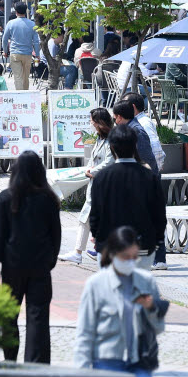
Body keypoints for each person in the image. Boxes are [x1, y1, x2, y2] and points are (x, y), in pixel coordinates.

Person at [74, 228, 169, 377]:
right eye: (126, 257)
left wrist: (151, 308)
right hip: (107, 361)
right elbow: (85, 333)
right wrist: (82, 375)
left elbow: (158, 329)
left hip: (138, 361)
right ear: (113, 254)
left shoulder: (147, 281)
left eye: (135, 257)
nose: (131, 262)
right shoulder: (96, 284)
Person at [0, 151, 62, 364]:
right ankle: (36, 362)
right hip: (40, 266)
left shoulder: (6, 197)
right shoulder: (49, 199)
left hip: (12, 266)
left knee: (9, 315)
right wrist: (51, 260)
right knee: (38, 316)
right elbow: (55, 235)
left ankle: (10, 358)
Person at [89, 124, 166, 269]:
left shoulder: (102, 177)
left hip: (109, 246)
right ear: (134, 145)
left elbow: (95, 213)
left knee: (111, 289)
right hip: (142, 246)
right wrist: (157, 240)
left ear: (112, 146)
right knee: (138, 288)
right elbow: (159, 212)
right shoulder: (149, 177)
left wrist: (96, 235)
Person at [59, 108, 115, 265]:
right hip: (96, 185)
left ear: (99, 123)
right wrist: (89, 169)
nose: (90, 124)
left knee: (88, 219)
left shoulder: (111, 140)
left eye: (92, 121)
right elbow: (94, 160)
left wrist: (92, 171)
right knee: (87, 219)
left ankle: (84, 252)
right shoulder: (99, 139)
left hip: (103, 186)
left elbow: (109, 162)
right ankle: (88, 250)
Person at [2, 2, 41, 91]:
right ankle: (25, 94)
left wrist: (5, 51)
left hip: (15, 53)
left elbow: (5, 39)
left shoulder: (11, 23)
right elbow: (36, 41)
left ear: (16, 11)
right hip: (27, 53)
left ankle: (19, 95)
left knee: (18, 77)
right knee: (25, 77)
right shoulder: (32, 24)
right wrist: (37, 54)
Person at [112, 101, 158, 174]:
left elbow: (145, 158)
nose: (115, 122)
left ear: (119, 117)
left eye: (114, 118)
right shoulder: (130, 129)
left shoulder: (136, 132)